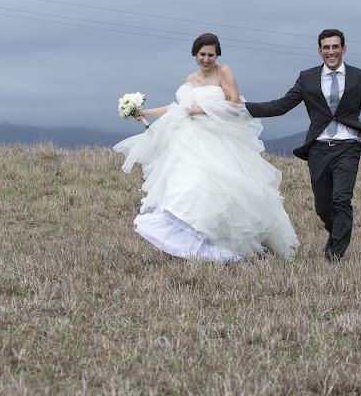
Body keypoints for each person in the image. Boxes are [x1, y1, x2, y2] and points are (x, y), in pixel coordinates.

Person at [113, 33, 299, 262]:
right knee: (190, 185)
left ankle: (222, 242)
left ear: (217, 55)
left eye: (211, 54)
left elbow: (233, 103)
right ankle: (191, 241)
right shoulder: (190, 78)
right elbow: (178, 107)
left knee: (221, 187)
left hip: (219, 135)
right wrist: (146, 112)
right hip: (191, 137)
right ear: (195, 55)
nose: (206, 59)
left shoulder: (225, 72)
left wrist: (200, 110)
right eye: (202, 54)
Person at [244, 29, 361, 262]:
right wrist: (241, 107)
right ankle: (337, 234)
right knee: (323, 207)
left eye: (335, 47)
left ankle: (334, 255)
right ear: (319, 51)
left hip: (348, 147)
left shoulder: (360, 77)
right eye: (326, 47)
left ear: (343, 49)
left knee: (341, 199)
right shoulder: (308, 78)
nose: (331, 51)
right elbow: (281, 106)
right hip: (319, 148)